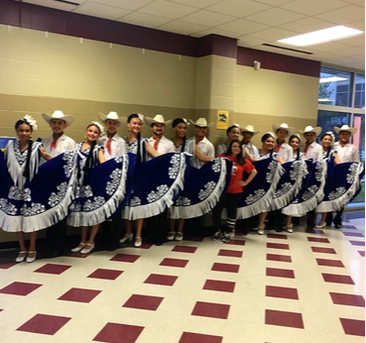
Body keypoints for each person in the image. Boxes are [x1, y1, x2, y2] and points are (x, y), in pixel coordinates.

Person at [1, 115, 52, 262]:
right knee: (17, 219)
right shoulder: (10, 146)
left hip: (31, 188)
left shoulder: (36, 146)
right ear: (16, 131)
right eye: (21, 130)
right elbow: (4, 164)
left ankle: (32, 248)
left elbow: (50, 159)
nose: (24, 133)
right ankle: (22, 248)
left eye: (27, 130)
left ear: (31, 132)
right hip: (14, 189)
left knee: (31, 218)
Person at [42, 110, 76, 258]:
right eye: (54, 122)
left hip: (62, 182)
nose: (57, 125)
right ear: (50, 124)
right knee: (48, 214)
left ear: (64, 125)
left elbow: (70, 163)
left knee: (60, 216)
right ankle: (50, 245)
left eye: (60, 123)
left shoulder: (70, 142)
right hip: (48, 182)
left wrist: (49, 158)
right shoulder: (44, 141)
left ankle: (59, 247)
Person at [69, 122, 106, 254]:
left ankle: (91, 241)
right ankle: (82, 241)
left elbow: (104, 165)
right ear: (85, 132)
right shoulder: (77, 146)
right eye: (90, 131)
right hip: (79, 186)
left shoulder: (98, 149)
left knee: (93, 213)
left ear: (98, 135)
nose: (92, 134)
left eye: (95, 132)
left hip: (92, 186)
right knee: (82, 214)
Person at [212, 140, 257, 242]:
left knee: (232, 211)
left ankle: (229, 231)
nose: (236, 148)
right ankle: (216, 231)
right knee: (217, 210)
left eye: (238, 147)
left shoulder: (243, 160)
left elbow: (254, 171)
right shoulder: (223, 157)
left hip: (236, 191)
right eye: (234, 146)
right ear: (230, 147)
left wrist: (245, 182)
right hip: (222, 190)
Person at [97, 111, 126, 251]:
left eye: (114, 123)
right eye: (109, 123)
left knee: (116, 211)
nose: (112, 125)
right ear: (105, 124)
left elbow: (123, 161)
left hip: (115, 178)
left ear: (118, 125)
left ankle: (115, 241)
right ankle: (105, 238)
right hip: (103, 178)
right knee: (104, 209)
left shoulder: (120, 142)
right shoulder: (101, 140)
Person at [244, 132, 284, 235]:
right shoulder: (255, 152)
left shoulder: (275, 155)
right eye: (268, 141)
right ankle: (247, 225)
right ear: (263, 142)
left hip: (267, 183)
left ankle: (261, 225)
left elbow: (283, 166)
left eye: (272, 142)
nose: (270, 143)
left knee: (264, 204)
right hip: (253, 181)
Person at [326, 125, 360, 228]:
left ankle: (338, 217)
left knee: (343, 197)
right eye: (342, 133)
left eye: (347, 134)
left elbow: (356, 162)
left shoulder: (353, 148)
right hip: (333, 173)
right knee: (330, 195)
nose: (344, 135)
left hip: (346, 175)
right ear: (339, 134)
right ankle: (329, 216)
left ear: (349, 135)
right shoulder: (333, 146)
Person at [168, 118, 189, 241]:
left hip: (185, 177)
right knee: (172, 204)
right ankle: (171, 229)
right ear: (174, 128)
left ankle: (180, 230)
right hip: (172, 178)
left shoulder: (189, 143)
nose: (182, 130)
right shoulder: (169, 143)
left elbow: (197, 157)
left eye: (184, 128)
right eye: (180, 127)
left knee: (183, 204)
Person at [299, 125, 324, 231]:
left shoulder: (318, 147)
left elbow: (319, 162)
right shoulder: (302, 146)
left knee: (311, 197)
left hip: (312, 175)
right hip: (302, 174)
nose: (309, 137)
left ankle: (310, 222)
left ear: (314, 136)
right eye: (307, 135)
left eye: (311, 135)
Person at [315, 132, 341, 228]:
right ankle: (313, 219)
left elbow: (338, 163)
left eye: (329, 140)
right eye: (325, 139)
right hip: (317, 177)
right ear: (321, 140)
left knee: (325, 199)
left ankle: (323, 220)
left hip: (328, 179)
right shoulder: (317, 150)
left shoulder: (333, 152)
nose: (327, 141)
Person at [284, 134, 305, 232]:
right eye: (292, 142)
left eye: (297, 142)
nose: (294, 144)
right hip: (284, 179)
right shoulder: (285, 152)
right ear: (289, 143)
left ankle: (289, 223)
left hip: (295, 181)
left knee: (292, 201)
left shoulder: (301, 155)